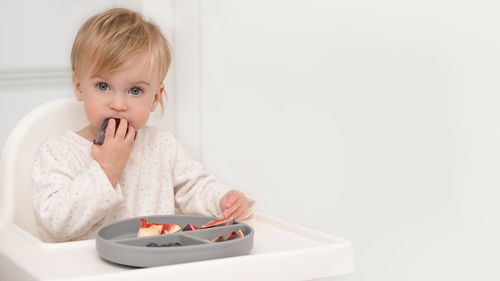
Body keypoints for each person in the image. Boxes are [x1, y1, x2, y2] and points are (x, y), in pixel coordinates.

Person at [32, 8, 256, 242]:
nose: (118, 104)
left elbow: (194, 186)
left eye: (135, 90)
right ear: (79, 87)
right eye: (103, 86)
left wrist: (223, 199)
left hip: (156, 265)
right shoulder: (58, 152)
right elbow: (54, 223)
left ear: (155, 98)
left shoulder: (163, 146)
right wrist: (106, 170)